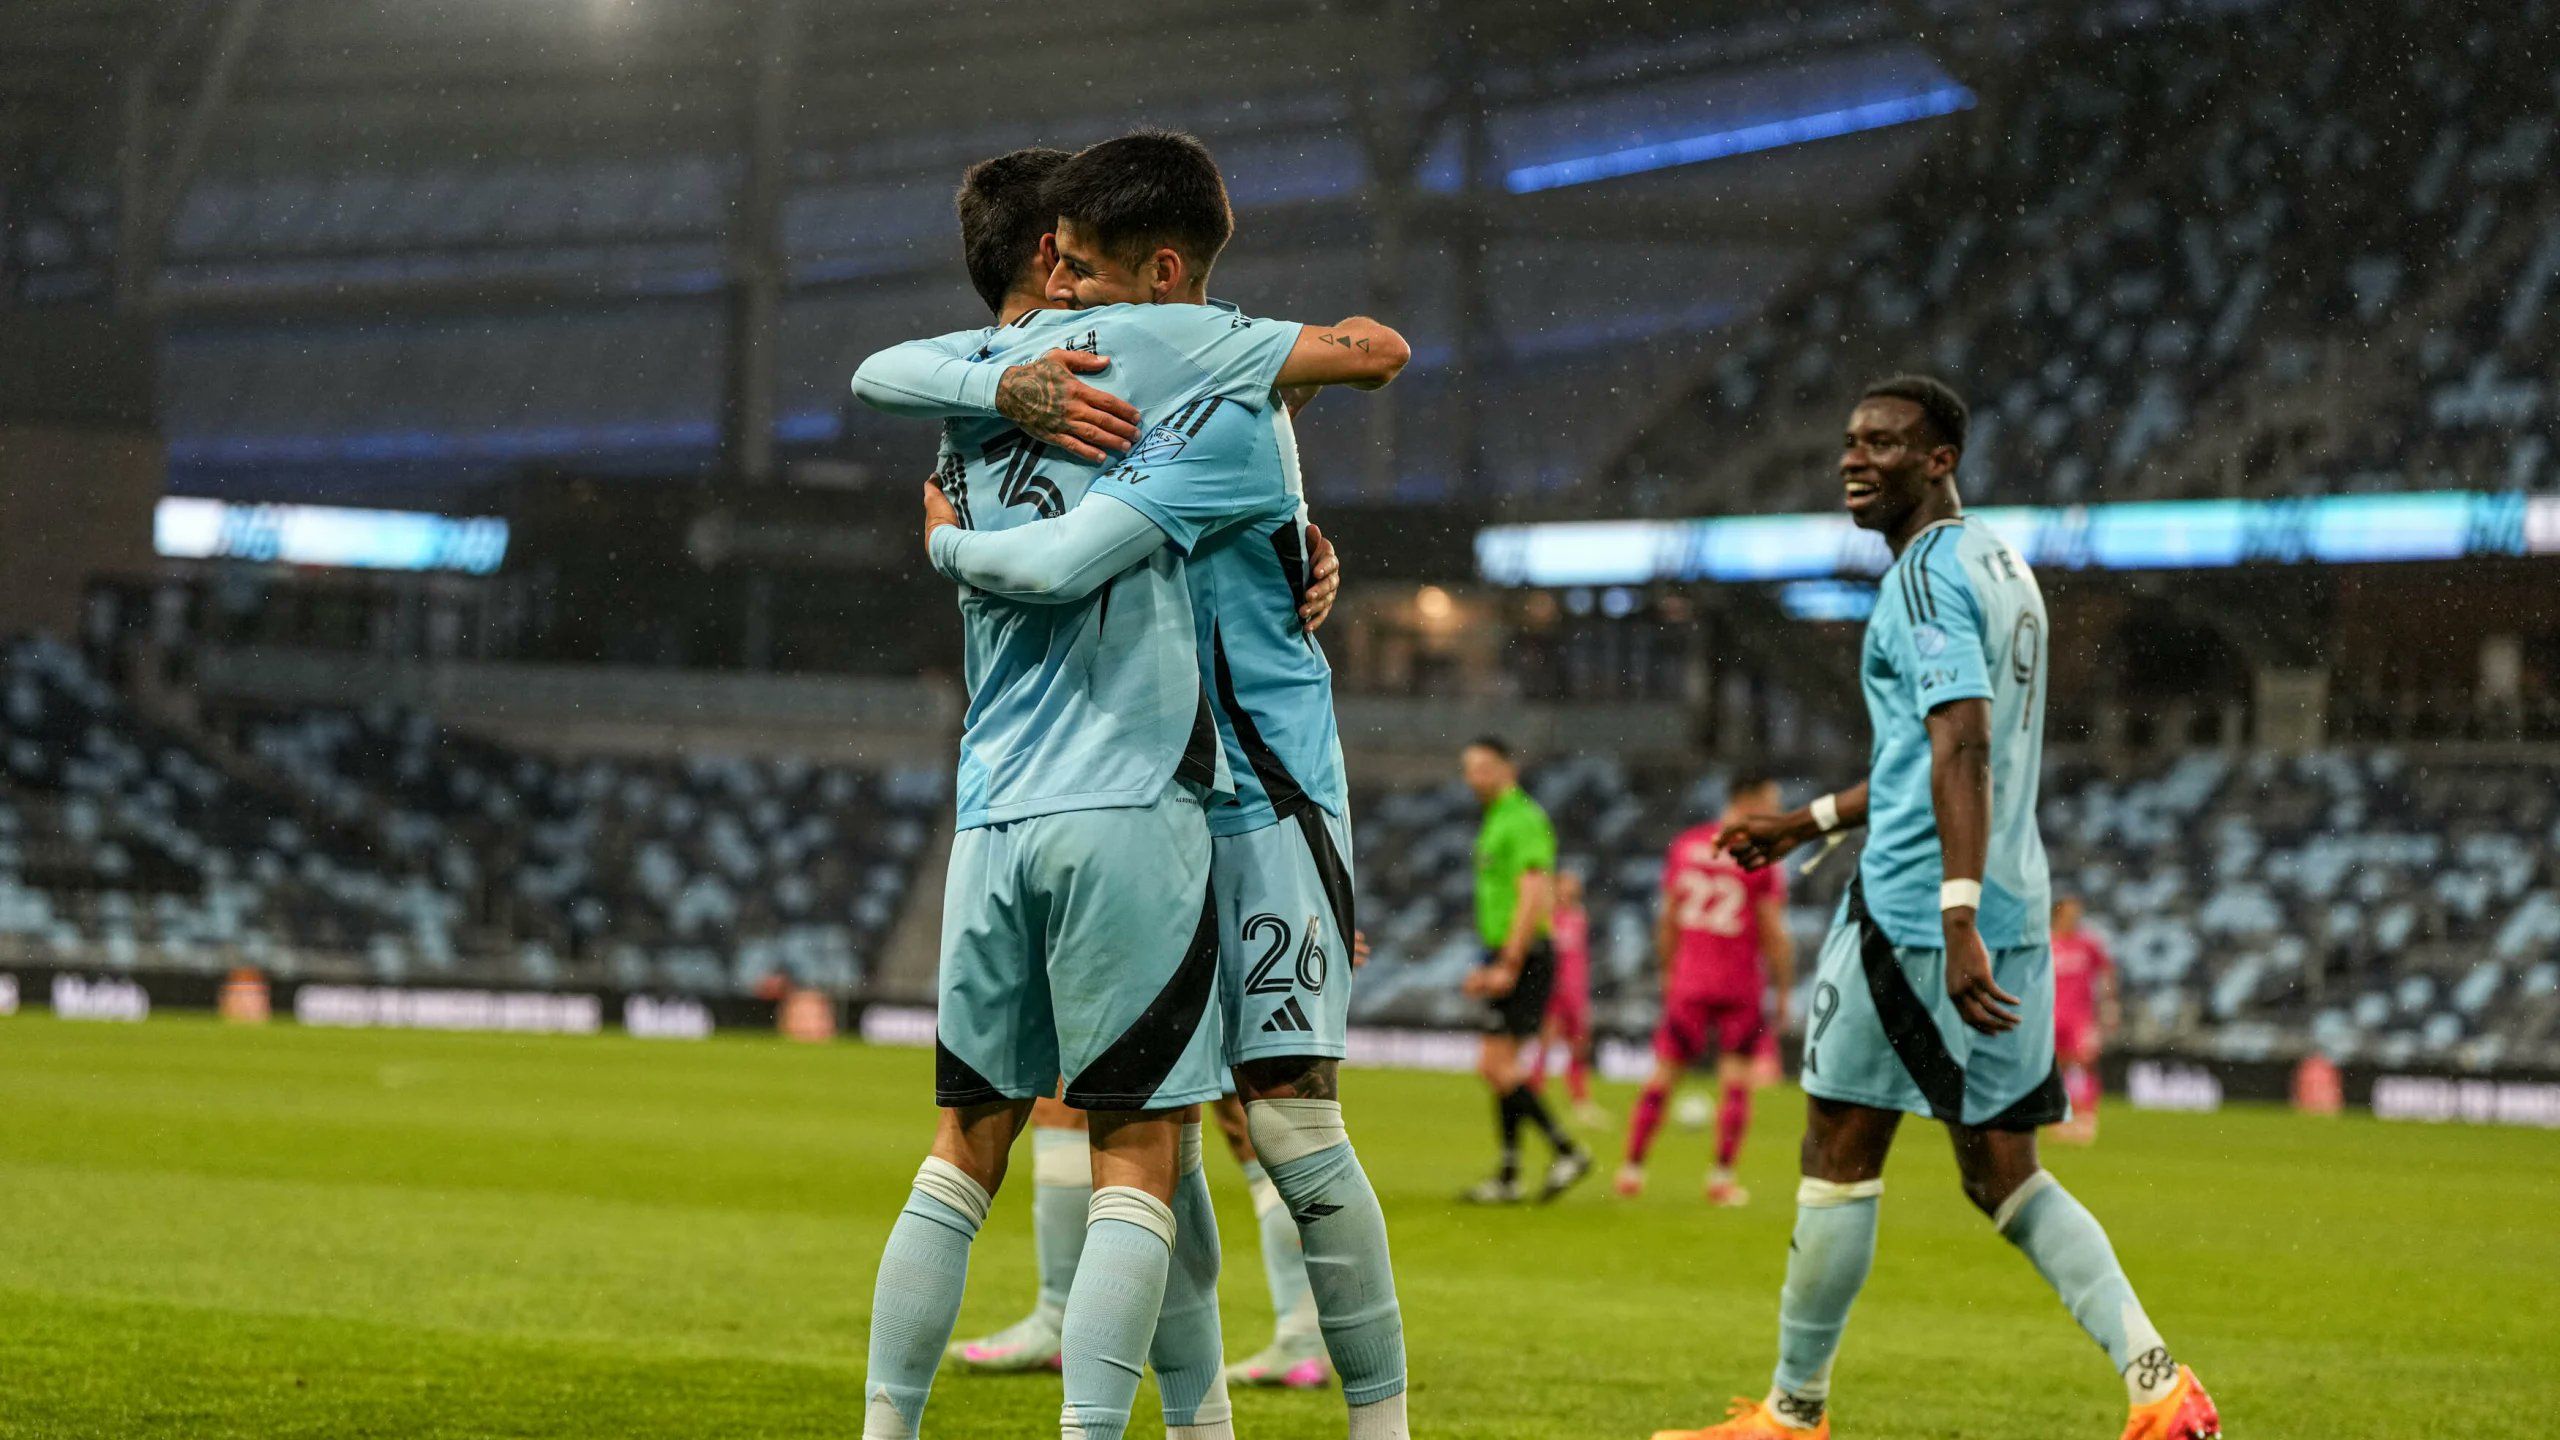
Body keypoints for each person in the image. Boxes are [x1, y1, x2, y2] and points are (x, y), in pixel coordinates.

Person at [857, 131, 1415, 1440]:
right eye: (1057, 262)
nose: (1071, 286)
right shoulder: (1056, 377)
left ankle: (1385, 1429)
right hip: (1149, 788)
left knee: (1282, 1125)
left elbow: (1350, 371)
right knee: (1151, 1134)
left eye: (1091, 265)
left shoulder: (1212, 375)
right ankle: (1200, 1422)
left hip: (1259, 792)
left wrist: (1302, 545)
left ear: (1153, 270)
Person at [1652, 377, 2220, 1440]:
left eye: (1884, 444)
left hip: (1916, 915)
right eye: (1849, 442)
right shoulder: (2000, 565)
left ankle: (1792, 1415)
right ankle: (2161, 1388)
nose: (1853, 461)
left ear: (1940, 460)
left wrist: (1951, 917)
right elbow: (1940, 754)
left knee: (1837, 1144)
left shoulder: (1919, 581)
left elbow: (1959, 741)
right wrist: (1809, 819)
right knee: (2004, 1171)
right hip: (2011, 899)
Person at [1619, 772, 1793, 1204]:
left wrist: (1667, 970)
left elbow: (1668, 918)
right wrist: (1784, 988)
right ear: (1747, 800)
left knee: (1663, 1075)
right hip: (1739, 984)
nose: (1776, 812)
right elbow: (1773, 931)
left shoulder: (1686, 845)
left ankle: (1631, 1170)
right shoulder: (1760, 855)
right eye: (1770, 802)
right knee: (1736, 1081)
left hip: (1689, 980)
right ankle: (1720, 1178)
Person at [1458, 737, 1592, 1204]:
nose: (1473, 778)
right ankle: (1510, 1175)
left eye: (1482, 768)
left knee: (1494, 1066)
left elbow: (1535, 890)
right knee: (1503, 1067)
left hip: (1524, 952)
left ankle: (1566, 1149)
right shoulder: (1498, 818)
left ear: (1506, 768)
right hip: (1506, 949)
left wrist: (1509, 962)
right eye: (1468, 769)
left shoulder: (1523, 818)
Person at [1525, 867, 1606, 1130]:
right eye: (1566, 884)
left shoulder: (1580, 916)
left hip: (1576, 991)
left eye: (1574, 885)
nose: (1571, 889)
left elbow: (1580, 958)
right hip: (1555, 991)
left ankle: (1580, 1101)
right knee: (1546, 1041)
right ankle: (1533, 1092)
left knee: (1579, 1045)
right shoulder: (1549, 917)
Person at [2048, 896, 2120, 1145]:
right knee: (2057, 1067)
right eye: (2069, 913)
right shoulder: (2046, 943)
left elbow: (2106, 972)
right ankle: (2060, 1118)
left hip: (2081, 1017)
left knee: (2086, 1063)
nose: (2074, 918)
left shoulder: (2088, 944)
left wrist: (2110, 1005)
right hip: (2053, 1016)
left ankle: (2087, 1119)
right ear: (2058, 914)